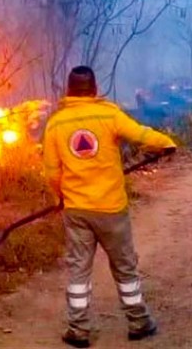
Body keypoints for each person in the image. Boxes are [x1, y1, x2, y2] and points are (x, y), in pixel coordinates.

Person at [43, 65, 177, 347]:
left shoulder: (56, 124)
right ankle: (138, 322)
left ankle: (78, 330)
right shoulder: (109, 114)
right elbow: (140, 134)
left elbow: (53, 173)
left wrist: (62, 196)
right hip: (111, 209)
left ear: (69, 90)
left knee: (79, 270)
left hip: (77, 210)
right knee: (125, 267)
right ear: (93, 89)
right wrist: (166, 143)